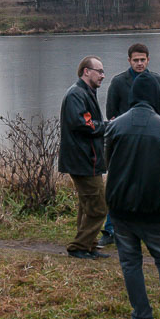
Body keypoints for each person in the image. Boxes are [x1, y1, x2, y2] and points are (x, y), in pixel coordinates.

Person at [105, 71, 160, 319]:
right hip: (155, 208)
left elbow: (110, 164)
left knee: (130, 263)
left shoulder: (114, 126)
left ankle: (142, 318)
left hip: (120, 207)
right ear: (157, 97)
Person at [99, 43, 160, 248]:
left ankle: (150, 229)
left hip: (150, 142)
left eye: (143, 59)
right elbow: (111, 113)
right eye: (135, 60)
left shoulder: (157, 81)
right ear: (129, 60)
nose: (139, 63)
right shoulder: (119, 82)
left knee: (152, 183)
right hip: (125, 143)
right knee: (119, 184)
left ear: (148, 60)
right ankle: (111, 230)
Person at [58, 56, 111, 259]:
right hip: (82, 160)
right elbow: (83, 124)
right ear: (86, 71)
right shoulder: (76, 95)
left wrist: (102, 124)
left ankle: (87, 245)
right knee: (99, 206)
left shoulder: (86, 93)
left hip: (88, 159)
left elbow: (89, 122)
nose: (103, 75)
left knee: (87, 205)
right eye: (99, 71)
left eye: (103, 71)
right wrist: (106, 126)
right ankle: (79, 247)